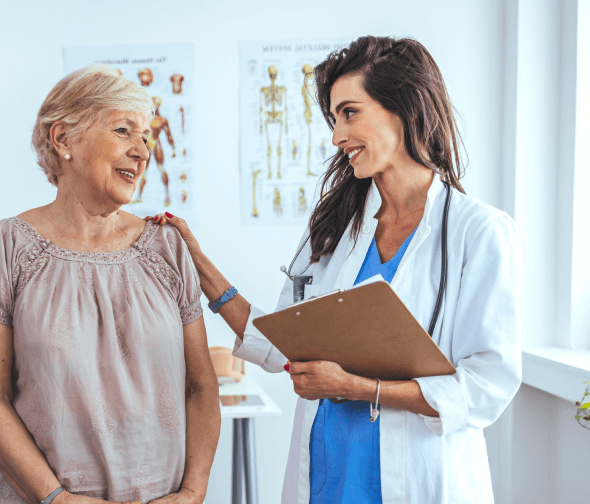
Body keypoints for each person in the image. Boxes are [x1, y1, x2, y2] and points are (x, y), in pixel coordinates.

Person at [149, 36, 521, 503]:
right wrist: (201, 268)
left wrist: (357, 387)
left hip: (421, 482)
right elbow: (286, 343)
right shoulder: (336, 225)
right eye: (333, 118)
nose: (336, 137)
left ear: (402, 108)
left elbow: (487, 386)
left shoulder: (478, 231)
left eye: (349, 113)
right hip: (327, 475)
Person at [0, 64, 220, 504]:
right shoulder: (7, 245)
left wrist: (194, 492)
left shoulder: (166, 246)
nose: (142, 151)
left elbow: (201, 387)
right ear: (63, 139)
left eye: (146, 136)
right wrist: (56, 498)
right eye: (124, 131)